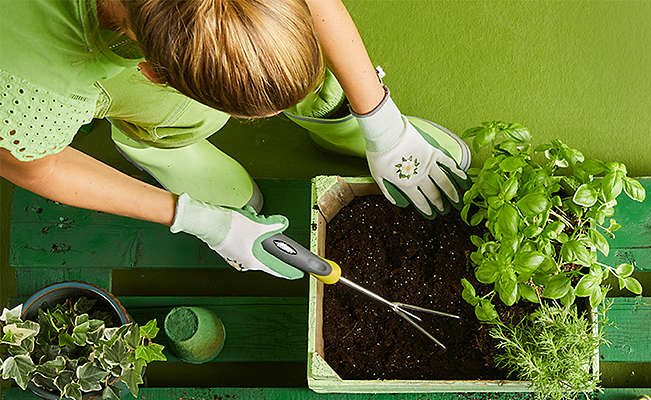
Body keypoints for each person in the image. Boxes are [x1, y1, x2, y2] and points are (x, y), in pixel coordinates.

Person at [0, 0, 470, 279]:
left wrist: (380, 118)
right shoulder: (30, 87)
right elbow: (39, 166)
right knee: (190, 116)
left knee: (279, 55)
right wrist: (195, 217)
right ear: (152, 73)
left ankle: (338, 115)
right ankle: (160, 140)